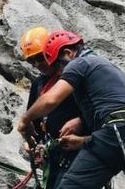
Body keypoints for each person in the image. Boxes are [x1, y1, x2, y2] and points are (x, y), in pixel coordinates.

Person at [17, 30, 125, 188]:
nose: (60, 72)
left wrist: (25, 120)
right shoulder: (107, 67)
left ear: (68, 53)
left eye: (58, 65)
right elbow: (124, 124)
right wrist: (83, 142)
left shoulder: (79, 63)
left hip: (114, 135)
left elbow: (50, 100)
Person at [19, 27, 84, 189]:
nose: (37, 65)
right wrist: (34, 144)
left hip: (78, 150)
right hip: (53, 153)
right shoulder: (38, 85)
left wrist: (82, 121)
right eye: (31, 61)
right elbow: (35, 123)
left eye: (39, 58)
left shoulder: (73, 76)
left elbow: (94, 110)